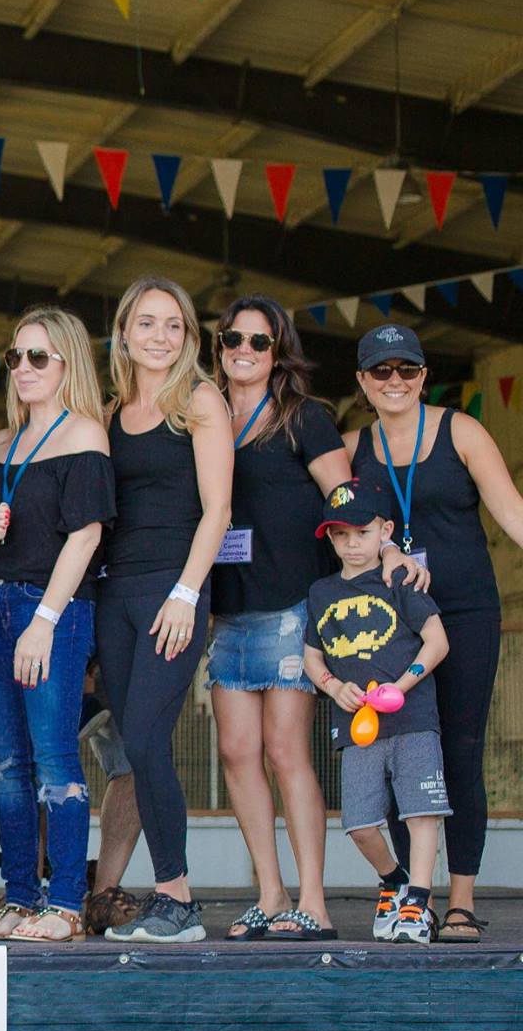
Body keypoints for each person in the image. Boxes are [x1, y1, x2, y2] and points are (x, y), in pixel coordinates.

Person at [349, 323, 523, 944]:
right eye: (380, 371)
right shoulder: (352, 449)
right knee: (397, 752)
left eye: (406, 370)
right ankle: (407, 892)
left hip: (467, 612)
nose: (394, 381)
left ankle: (461, 898)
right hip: (390, 626)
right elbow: (324, 516)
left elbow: (512, 511)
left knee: (462, 749)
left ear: (423, 377)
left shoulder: (462, 430)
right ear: (363, 382)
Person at [208, 297, 364, 941]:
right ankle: (270, 895)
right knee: (236, 752)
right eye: (231, 338)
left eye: (259, 341)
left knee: (284, 751)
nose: (243, 349)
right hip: (228, 609)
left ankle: (314, 902)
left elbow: (344, 494)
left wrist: (375, 555)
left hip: (293, 604)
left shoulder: (303, 417)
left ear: (279, 352)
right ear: (217, 346)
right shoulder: (204, 415)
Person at [96, 278, 234, 945]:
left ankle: (177, 896)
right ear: (124, 332)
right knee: (131, 747)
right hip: (115, 594)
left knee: (149, 737)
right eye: (147, 323)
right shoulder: (110, 409)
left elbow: (219, 509)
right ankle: (155, 895)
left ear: (188, 337)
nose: (160, 336)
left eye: (173, 325)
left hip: (171, 591)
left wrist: (186, 592)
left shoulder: (200, 400)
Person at [0, 306, 113, 942]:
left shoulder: (85, 434)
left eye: (39, 357)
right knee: (7, 763)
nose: (24, 368)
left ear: (66, 364)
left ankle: (67, 903)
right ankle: (21, 897)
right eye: (16, 357)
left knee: (56, 757)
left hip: (51, 608)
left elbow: (86, 538)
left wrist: (45, 621)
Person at [304, 479, 450, 944]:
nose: (352, 544)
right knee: (360, 824)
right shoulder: (321, 591)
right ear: (330, 538)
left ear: (384, 530)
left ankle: (419, 905)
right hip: (357, 726)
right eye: (341, 534)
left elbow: (438, 641)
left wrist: (400, 686)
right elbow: (311, 657)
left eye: (362, 533)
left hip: (411, 719)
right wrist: (332, 686)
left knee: (422, 812)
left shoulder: (398, 578)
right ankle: (393, 879)